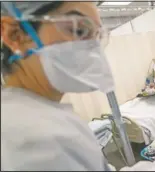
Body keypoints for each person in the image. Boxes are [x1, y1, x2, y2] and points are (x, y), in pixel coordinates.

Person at [1, 2, 113, 170]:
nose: (92, 49)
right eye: (79, 30)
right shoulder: (36, 142)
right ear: (14, 34)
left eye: (97, 36)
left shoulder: (39, 115)